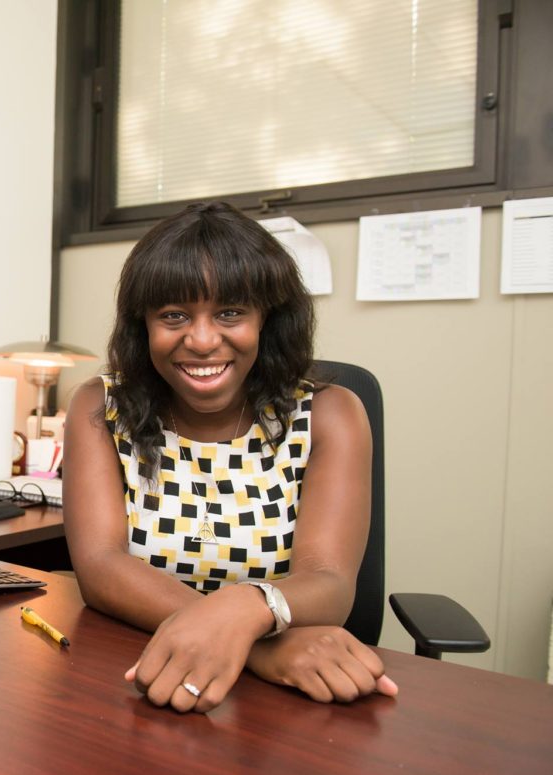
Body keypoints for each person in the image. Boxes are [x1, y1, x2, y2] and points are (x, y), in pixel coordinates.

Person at [63, 201, 399, 713]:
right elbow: (100, 565)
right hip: (144, 673)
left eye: (230, 313)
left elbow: (328, 578)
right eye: (173, 315)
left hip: (288, 711)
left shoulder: (332, 413)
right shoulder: (100, 405)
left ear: (267, 318)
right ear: (143, 325)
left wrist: (245, 612)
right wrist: (261, 648)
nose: (201, 340)